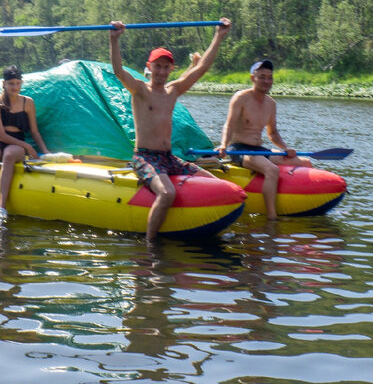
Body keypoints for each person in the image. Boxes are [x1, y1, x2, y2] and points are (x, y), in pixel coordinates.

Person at [109, 18, 232, 241]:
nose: (162, 71)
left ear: (171, 69)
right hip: (145, 158)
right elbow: (118, 71)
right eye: (158, 66)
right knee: (167, 193)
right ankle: (151, 246)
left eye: (166, 67)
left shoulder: (173, 91)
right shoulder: (139, 89)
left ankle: (208, 225)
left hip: (169, 158)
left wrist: (219, 36)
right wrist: (114, 39)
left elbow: (202, 67)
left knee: (215, 183)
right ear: (149, 67)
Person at [217, 59, 313, 220]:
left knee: (305, 162)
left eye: (269, 77)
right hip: (239, 149)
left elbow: (273, 133)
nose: (266, 81)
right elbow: (229, 124)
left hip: (259, 150)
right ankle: (272, 217)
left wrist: (285, 148)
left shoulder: (271, 104)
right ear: (252, 78)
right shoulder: (240, 98)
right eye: (262, 76)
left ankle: (306, 202)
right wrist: (223, 145)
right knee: (272, 170)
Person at [0, 66, 51, 219]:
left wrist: (44, 151)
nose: (14, 87)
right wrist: (27, 146)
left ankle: (1, 208)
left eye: (18, 83)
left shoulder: (28, 102)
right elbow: (0, 135)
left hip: (17, 141)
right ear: (4, 84)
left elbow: (34, 131)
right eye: (11, 83)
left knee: (8, 156)